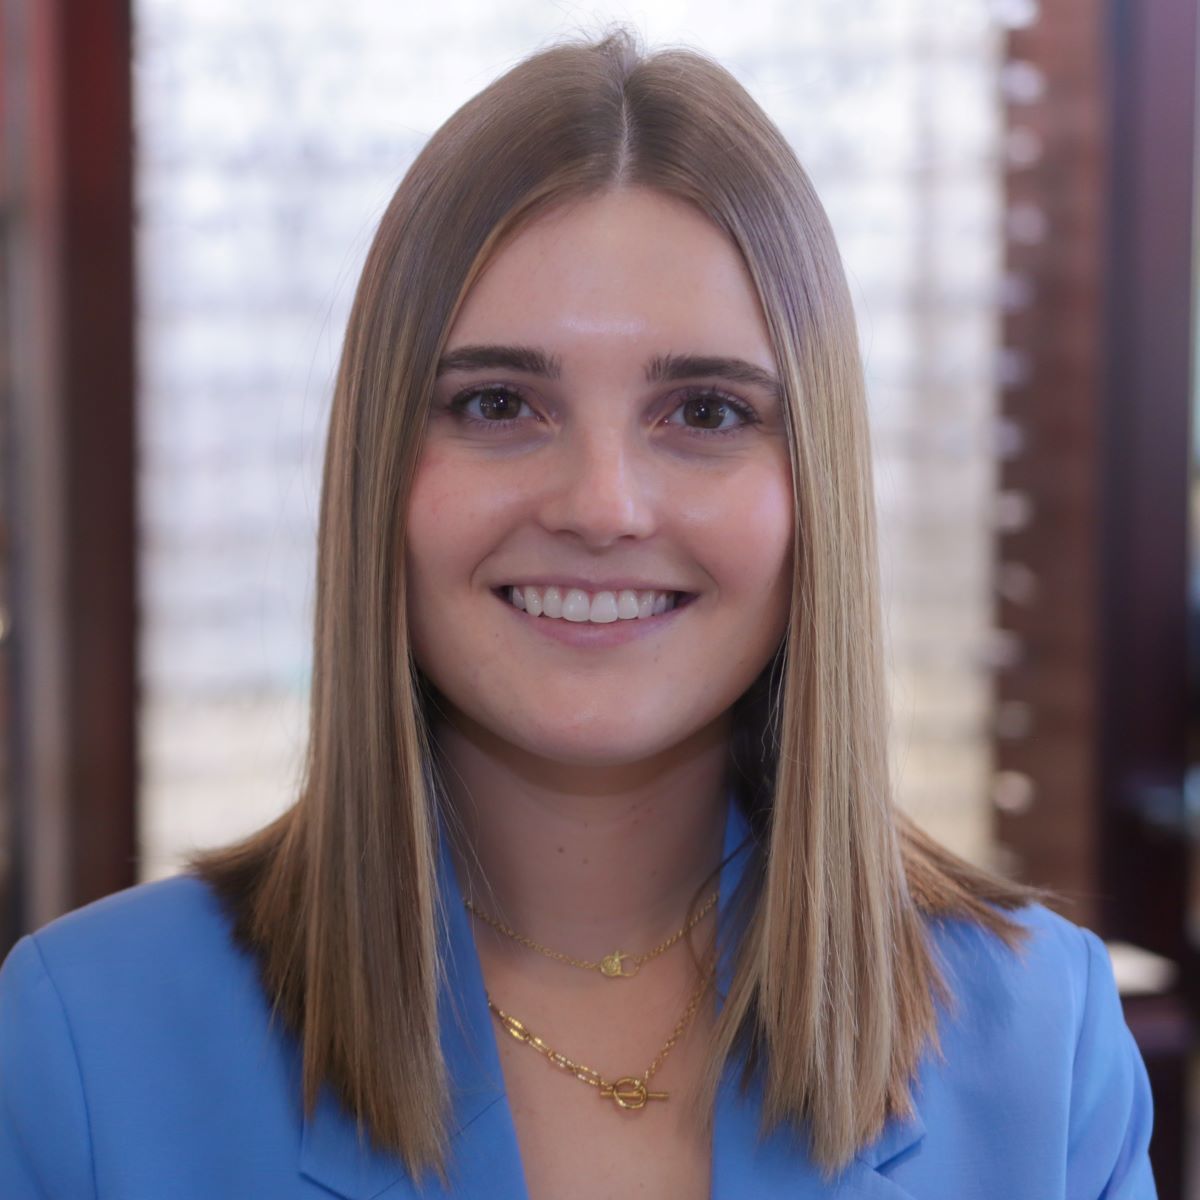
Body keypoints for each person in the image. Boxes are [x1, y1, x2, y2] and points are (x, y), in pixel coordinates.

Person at [0, 26, 1157, 1200]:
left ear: (816, 488)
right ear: (379, 475)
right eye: (499, 402)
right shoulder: (80, 1043)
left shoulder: (1041, 1041)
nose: (603, 504)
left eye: (703, 413)